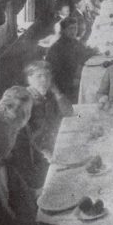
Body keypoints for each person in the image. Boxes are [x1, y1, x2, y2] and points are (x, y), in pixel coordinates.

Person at [13, 61, 73, 190]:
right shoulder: (24, 101)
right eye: (39, 76)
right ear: (29, 79)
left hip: (56, 142)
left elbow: (69, 112)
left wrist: (57, 93)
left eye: (47, 76)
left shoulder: (49, 95)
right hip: (39, 152)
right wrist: (42, 151)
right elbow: (24, 137)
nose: (44, 80)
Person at [46, 17, 95, 103]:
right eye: (70, 28)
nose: (74, 31)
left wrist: (93, 51)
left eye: (75, 28)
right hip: (64, 84)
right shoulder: (57, 48)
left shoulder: (73, 41)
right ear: (63, 30)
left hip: (73, 78)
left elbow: (83, 53)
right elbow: (55, 74)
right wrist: (75, 79)